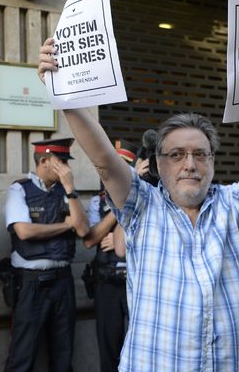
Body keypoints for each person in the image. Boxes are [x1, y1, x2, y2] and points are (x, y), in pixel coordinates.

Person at [38, 38, 239, 371]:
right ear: (159, 164)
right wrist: (66, 96)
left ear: (212, 162)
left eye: (200, 154)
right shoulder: (141, 206)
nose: (189, 164)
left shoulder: (235, 203)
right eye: (176, 155)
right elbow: (106, 160)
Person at [4, 138, 90, 372]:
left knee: (63, 353)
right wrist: (64, 226)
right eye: (61, 162)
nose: (67, 168)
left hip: (62, 280)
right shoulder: (19, 189)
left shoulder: (66, 191)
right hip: (31, 283)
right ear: (44, 161)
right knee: (23, 355)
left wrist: (71, 189)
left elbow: (83, 230)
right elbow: (24, 231)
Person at [82, 139, 138, 372]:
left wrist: (132, 195)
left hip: (136, 282)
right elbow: (91, 238)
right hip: (107, 281)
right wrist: (120, 204)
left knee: (139, 347)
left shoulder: (147, 198)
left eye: (122, 166)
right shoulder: (98, 201)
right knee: (108, 348)